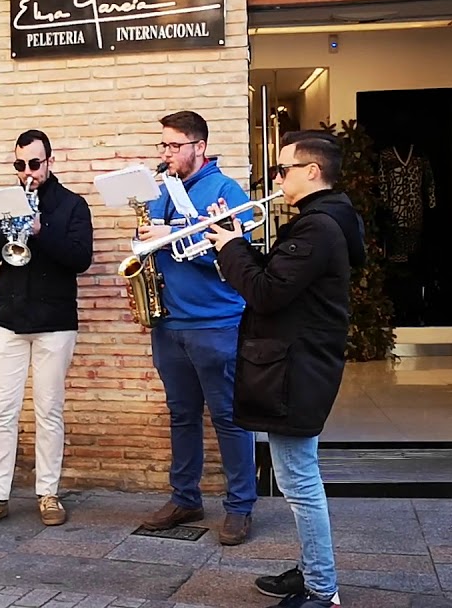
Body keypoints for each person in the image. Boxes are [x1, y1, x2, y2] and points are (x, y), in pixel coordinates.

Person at [205, 131, 364, 608]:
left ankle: (322, 589)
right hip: (295, 364)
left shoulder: (319, 227)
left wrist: (231, 249)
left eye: (282, 169)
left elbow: (267, 294)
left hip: (297, 369)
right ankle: (313, 569)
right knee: (299, 478)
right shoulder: (320, 221)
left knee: (299, 483)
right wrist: (233, 244)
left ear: (311, 172)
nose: (274, 178)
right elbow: (277, 279)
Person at [137, 110, 258, 546]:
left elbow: (235, 255)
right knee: (181, 416)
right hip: (169, 322)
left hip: (216, 323)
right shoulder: (162, 190)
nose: (166, 153)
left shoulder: (226, 190)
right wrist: (146, 237)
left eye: (174, 145)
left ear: (199, 147)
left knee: (228, 418)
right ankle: (184, 497)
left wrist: (174, 231)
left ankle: (240, 508)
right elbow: (154, 246)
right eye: (163, 145)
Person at [0, 129, 93, 530]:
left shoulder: (72, 205)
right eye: (20, 165)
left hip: (54, 322)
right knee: (3, 411)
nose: (27, 172)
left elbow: (80, 259)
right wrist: (9, 225)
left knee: (49, 410)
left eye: (34, 164)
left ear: (49, 163)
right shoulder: (6, 201)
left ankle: (48, 493)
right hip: (9, 318)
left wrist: (41, 231)